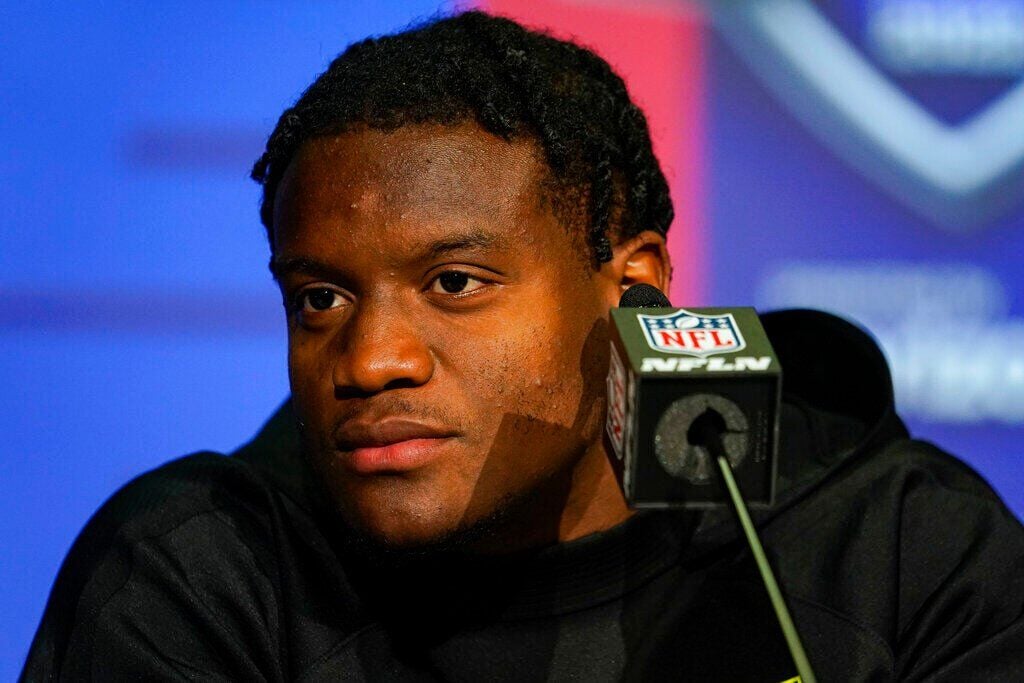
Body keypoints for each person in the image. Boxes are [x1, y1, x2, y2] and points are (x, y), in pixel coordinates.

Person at [22, 11, 1024, 681]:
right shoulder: (199, 574)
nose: (369, 361)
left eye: (453, 283)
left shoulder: (896, 550)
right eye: (320, 297)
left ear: (630, 286)